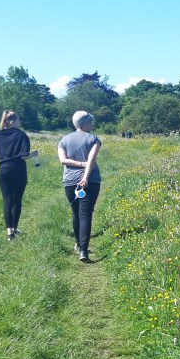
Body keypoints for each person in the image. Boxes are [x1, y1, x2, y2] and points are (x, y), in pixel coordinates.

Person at [58, 110, 102, 262]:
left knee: (76, 213)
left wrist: (78, 165)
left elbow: (63, 160)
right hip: (90, 181)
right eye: (90, 123)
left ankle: (78, 244)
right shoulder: (94, 139)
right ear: (84, 124)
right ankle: (83, 249)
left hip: (69, 181)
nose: (92, 126)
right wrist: (85, 176)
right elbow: (92, 158)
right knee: (85, 214)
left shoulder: (64, 140)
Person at [0, 110, 34, 240]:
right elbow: (23, 156)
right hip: (18, 170)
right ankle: (15, 229)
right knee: (17, 200)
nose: (20, 122)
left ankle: (9, 233)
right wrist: (34, 155)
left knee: (7, 200)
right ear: (14, 121)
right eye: (19, 120)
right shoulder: (21, 135)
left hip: (3, 171)